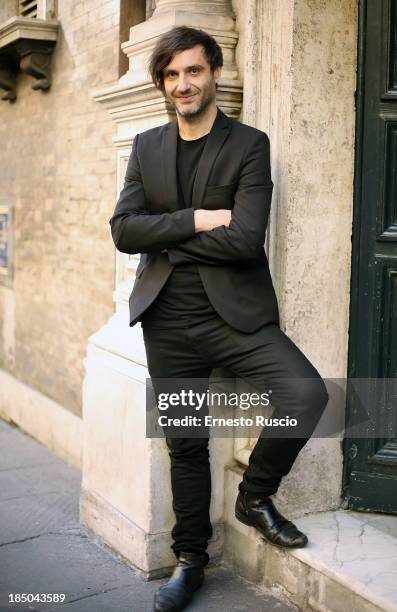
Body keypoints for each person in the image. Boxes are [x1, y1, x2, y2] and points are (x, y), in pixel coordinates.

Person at [109, 25, 329, 612]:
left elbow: (246, 239)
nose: (183, 84)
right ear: (163, 82)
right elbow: (124, 231)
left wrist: (169, 236)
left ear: (214, 73)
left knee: (305, 393)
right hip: (166, 321)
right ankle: (191, 560)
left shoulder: (249, 144)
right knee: (185, 444)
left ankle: (255, 496)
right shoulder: (146, 146)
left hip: (235, 316)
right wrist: (199, 220)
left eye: (194, 71)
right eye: (172, 74)